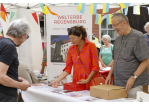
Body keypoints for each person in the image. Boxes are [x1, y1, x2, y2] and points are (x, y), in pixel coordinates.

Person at [105, 13, 149, 99]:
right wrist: (110, 75)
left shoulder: (138, 36)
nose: (114, 28)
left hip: (134, 86)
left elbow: (146, 60)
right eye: (112, 26)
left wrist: (133, 77)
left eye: (115, 25)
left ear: (124, 22)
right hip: (117, 85)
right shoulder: (117, 39)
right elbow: (115, 60)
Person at [49, 25, 100, 90]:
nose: (71, 40)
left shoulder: (91, 46)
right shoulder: (71, 49)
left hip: (91, 81)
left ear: (80, 36)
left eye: (73, 38)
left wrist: (87, 80)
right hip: (78, 82)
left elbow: (95, 67)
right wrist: (57, 80)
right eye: (70, 38)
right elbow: (68, 69)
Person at [0, 19, 31, 102]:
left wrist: (15, 77)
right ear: (23, 35)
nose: (25, 40)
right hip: (5, 95)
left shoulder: (2, 43)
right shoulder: (9, 46)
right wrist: (20, 85)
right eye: (27, 37)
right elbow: (1, 76)